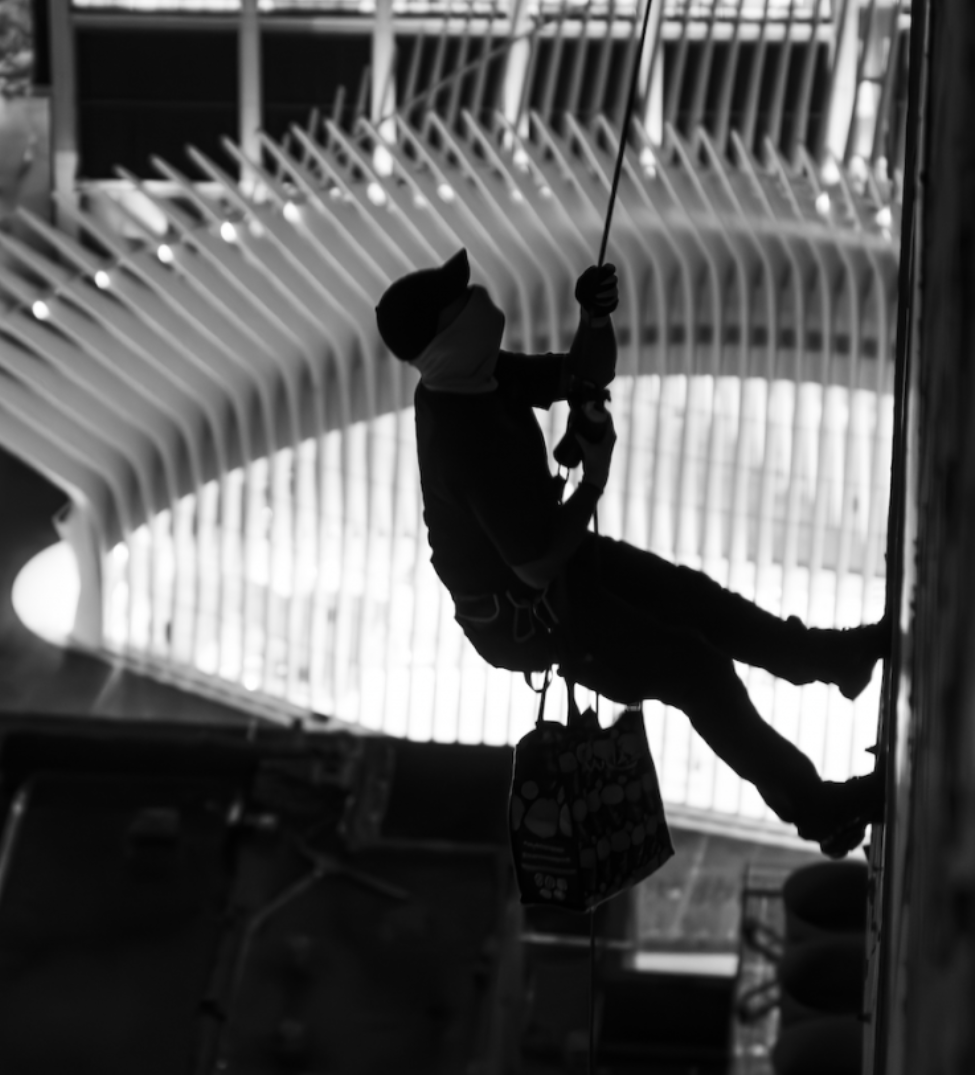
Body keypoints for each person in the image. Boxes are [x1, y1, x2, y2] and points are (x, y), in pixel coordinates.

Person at [375, 249, 886, 856]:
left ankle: (830, 660)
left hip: (559, 571)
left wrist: (595, 318)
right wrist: (593, 478)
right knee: (696, 672)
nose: (477, 300)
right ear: (443, 337)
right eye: (459, 302)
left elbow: (585, 375)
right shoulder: (462, 438)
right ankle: (816, 809)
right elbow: (532, 563)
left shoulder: (474, 375)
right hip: (536, 615)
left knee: (692, 599)